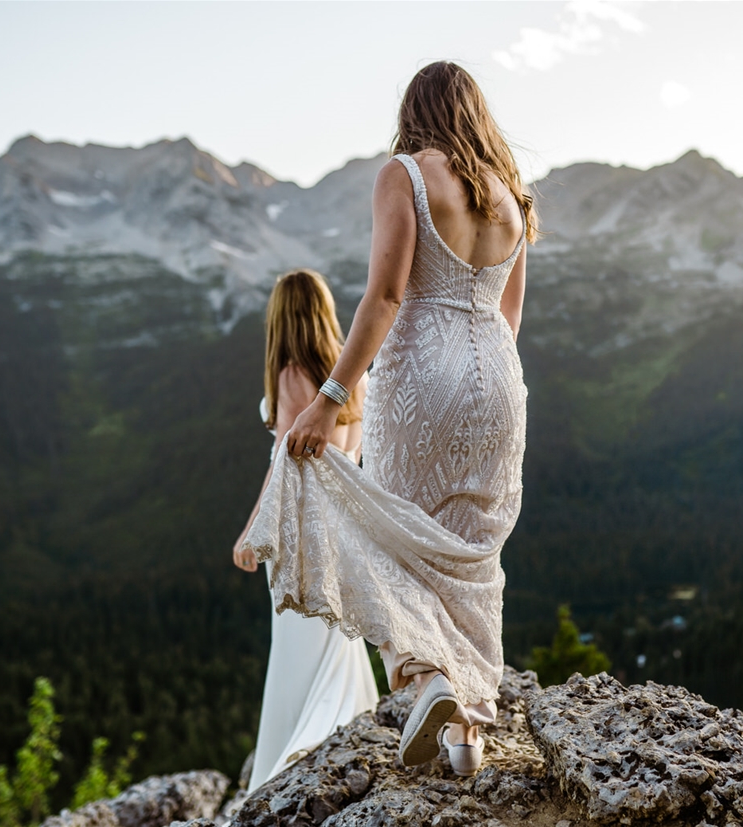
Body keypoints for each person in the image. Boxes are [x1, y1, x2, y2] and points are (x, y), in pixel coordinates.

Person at [242, 60, 537, 777]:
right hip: (499, 378)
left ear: (416, 112)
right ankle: (464, 737)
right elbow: (511, 316)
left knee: (398, 538)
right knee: (473, 554)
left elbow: (384, 297)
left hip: (419, 377)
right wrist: (482, 389)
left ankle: (428, 681)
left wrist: (331, 397)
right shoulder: (512, 199)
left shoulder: (404, 174)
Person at [231, 269, 378, 790]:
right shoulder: (351, 373)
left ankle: (291, 758)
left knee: (295, 643)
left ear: (281, 317)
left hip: (298, 529)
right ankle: (348, 736)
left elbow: (285, 465)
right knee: (335, 637)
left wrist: (252, 531)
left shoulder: (292, 374)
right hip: (341, 527)